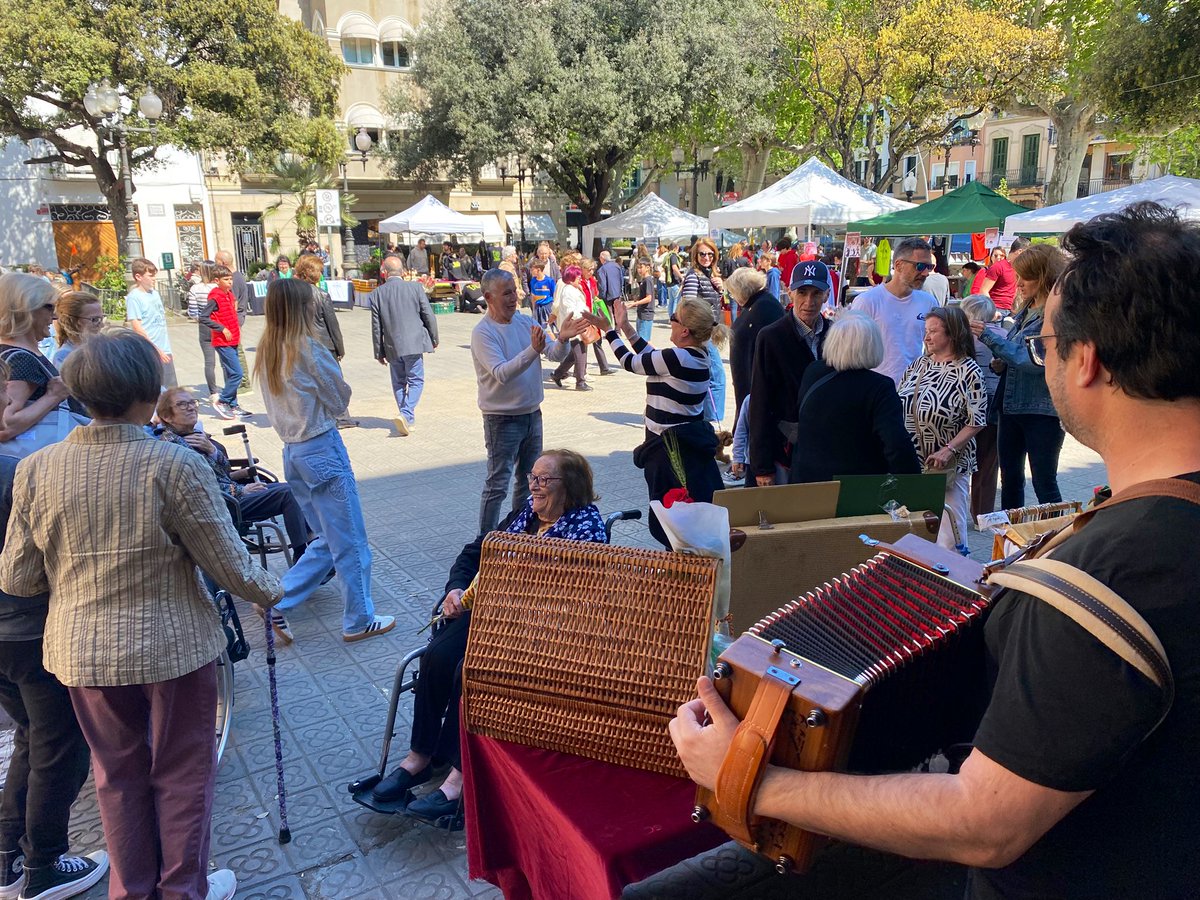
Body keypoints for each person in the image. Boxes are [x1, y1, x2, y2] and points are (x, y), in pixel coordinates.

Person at [671, 200, 1200, 900]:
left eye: (1044, 345)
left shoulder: (1104, 582)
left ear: (1089, 362)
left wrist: (754, 778)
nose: (1041, 362)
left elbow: (984, 823)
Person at [0, 330, 282, 900]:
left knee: (117, 778)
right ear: (148, 394)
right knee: (181, 777)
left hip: (81, 653)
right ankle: (181, 890)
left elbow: (17, 578)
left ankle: (132, 890)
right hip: (175, 647)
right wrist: (273, 591)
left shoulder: (38, 469)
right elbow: (231, 566)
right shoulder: (174, 465)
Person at [372, 449, 608, 818]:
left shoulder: (586, 531)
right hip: (489, 612)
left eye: (545, 479)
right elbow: (472, 553)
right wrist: (456, 588)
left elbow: (577, 597)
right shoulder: (523, 514)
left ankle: (458, 777)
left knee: (468, 671)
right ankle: (421, 756)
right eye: (533, 477)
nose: (534, 485)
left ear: (570, 487)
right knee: (436, 657)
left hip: (537, 627)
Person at [0, 354, 108, 900]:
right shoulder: (17, 468)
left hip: (6, 636)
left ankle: (6, 857)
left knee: (30, 736)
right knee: (58, 745)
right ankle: (43, 865)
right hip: (25, 627)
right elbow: (22, 572)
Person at [255, 279, 394, 643]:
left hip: (292, 453)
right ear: (300, 308)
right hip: (320, 448)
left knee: (329, 540)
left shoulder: (269, 348)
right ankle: (359, 619)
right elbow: (339, 399)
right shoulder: (306, 348)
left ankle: (277, 598)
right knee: (350, 541)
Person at [582, 297, 721, 547]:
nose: (670, 321)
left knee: (671, 517)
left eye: (674, 318)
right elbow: (652, 356)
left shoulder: (677, 358)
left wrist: (609, 331)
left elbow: (632, 363)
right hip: (679, 444)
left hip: (668, 449)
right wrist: (625, 327)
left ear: (685, 331)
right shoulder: (694, 355)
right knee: (679, 515)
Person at [471, 269, 585, 536]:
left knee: (530, 482)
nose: (514, 298)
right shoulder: (483, 333)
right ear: (488, 297)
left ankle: (518, 535)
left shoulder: (524, 323)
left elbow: (554, 354)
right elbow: (501, 373)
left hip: (533, 414)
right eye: (507, 293)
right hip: (502, 419)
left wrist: (563, 338)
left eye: (515, 291)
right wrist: (532, 350)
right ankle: (486, 541)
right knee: (497, 483)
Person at [155, 387, 311, 575]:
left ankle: (311, 545)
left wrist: (212, 451)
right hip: (219, 505)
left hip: (228, 495)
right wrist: (240, 491)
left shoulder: (194, 436)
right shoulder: (173, 444)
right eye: (182, 404)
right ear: (167, 416)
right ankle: (304, 558)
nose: (190, 408)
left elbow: (222, 471)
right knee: (288, 493)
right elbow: (199, 485)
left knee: (295, 487)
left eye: (192, 402)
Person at [971, 244, 1068, 511]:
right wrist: (1001, 364)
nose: (1019, 282)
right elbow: (1018, 356)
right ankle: (1011, 542)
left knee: (1044, 483)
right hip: (1010, 408)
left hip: (1042, 411)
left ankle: (1057, 539)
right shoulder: (1024, 311)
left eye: (1026, 276)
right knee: (1010, 480)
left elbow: (1033, 360)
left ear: (1045, 277)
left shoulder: (1055, 315)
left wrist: (988, 336)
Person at [790, 312, 921, 484]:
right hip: (855, 487)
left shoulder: (813, 372)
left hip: (808, 481)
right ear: (872, 345)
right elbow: (896, 443)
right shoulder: (879, 387)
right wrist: (913, 483)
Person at [898, 306, 987, 553]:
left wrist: (948, 449)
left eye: (934, 331)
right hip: (914, 461)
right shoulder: (919, 364)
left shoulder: (968, 370)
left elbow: (977, 419)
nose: (926, 337)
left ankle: (956, 585)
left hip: (947, 466)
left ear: (952, 334)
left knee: (950, 536)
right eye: (926, 331)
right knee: (914, 530)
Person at [748, 261, 831, 486]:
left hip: (826, 450)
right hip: (786, 449)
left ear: (827, 295)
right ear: (790, 292)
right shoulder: (772, 337)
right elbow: (760, 402)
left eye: (816, 293)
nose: (809, 302)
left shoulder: (836, 333)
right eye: (802, 292)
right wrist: (762, 465)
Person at [0, 274, 86, 454]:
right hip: (35, 460)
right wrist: (54, 396)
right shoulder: (20, 359)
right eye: (48, 307)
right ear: (26, 309)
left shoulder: (12, 352)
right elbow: (6, 425)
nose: (54, 315)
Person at [851, 237, 939, 384]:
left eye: (929, 267)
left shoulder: (928, 302)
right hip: (876, 391)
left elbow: (934, 349)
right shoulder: (867, 301)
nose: (925, 273)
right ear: (898, 265)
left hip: (914, 390)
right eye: (920, 266)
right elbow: (853, 352)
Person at [370, 256, 439, 436]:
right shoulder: (415, 288)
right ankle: (406, 414)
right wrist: (434, 337)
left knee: (399, 382)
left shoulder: (377, 294)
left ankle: (407, 419)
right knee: (416, 380)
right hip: (414, 343)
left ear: (384, 273)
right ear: (403, 272)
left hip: (392, 345)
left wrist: (378, 351)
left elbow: (376, 326)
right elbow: (428, 315)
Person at [294, 254, 357, 429]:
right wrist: (340, 348)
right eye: (320, 271)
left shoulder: (292, 294)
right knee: (334, 380)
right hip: (323, 345)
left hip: (301, 345)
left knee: (310, 382)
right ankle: (342, 417)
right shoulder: (321, 295)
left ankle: (316, 417)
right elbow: (332, 325)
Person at [962, 294, 1003, 518]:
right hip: (995, 401)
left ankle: (954, 508)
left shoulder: (961, 337)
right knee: (987, 462)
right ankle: (982, 514)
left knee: (961, 457)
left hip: (966, 403)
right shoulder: (1003, 334)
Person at [725, 267, 784, 420]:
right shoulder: (758, 303)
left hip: (757, 388)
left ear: (741, 290)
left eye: (732, 292)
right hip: (747, 382)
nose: (732, 296)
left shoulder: (765, 307)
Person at [680, 238, 728, 424]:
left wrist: (720, 288)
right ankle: (713, 419)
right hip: (702, 332)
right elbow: (689, 306)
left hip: (711, 330)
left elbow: (719, 302)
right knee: (717, 375)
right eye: (702, 254)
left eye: (710, 254)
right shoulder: (694, 276)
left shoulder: (711, 275)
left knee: (708, 374)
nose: (706, 257)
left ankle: (704, 416)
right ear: (695, 256)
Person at [199, 265, 251, 420]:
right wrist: (221, 328)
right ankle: (223, 401)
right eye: (226, 280)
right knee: (237, 373)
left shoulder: (228, 294)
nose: (230, 282)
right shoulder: (215, 297)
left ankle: (233, 405)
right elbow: (204, 317)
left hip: (233, 339)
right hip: (222, 341)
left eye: (231, 279)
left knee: (230, 373)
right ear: (217, 280)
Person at [124, 257, 176, 387]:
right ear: (138, 276)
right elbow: (137, 328)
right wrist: (156, 350)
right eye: (150, 276)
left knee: (171, 390)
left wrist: (166, 349)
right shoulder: (134, 297)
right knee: (158, 390)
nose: (154, 279)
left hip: (164, 348)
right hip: (151, 350)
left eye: (154, 276)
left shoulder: (155, 294)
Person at [548, 265, 592, 391]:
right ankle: (580, 382)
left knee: (573, 354)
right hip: (575, 327)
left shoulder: (573, 289)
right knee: (580, 353)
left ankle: (557, 374)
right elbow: (570, 310)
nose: (580, 278)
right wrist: (582, 318)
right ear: (571, 278)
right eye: (577, 276)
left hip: (577, 325)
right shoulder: (568, 291)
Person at [186, 262, 220, 404]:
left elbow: (192, 312)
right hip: (219, 324)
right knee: (226, 360)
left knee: (209, 361)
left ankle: (213, 392)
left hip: (204, 326)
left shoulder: (195, 288)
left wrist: (201, 318)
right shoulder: (218, 288)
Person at [579, 257, 614, 376]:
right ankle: (581, 371)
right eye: (589, 270)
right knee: (585, 341)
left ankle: (604, 367)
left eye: (592, 269)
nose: (591, 272)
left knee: (597, 339)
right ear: (582, 269)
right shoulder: (579, 282)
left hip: (593, 313)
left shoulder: (592, 281)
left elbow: (595, 294)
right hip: (584, 314)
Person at [50, 291, 103, 367]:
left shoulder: (100, 348)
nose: (101, 325)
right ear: (74, 321)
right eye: (95, 319)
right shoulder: (64, 355)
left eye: (101, 318)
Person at [979, 246, 1017, 314]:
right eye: (995, 255)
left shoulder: (1014, 268)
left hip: (1007, 309)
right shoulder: (990, 269)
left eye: (1002, 255)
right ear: (991, 257)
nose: (998, 258)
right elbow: (981, 290)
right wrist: (992, 310)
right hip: (995, 308)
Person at [629, 257, 657, 343]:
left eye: (641, 267)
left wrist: (635, 303)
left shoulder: (648, 280)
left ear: (648, 268)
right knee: (641, 340)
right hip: (641, 313)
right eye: (638, 267)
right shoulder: (643, 280)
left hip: (646, 314)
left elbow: (649, 298)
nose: (639, 270)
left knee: (643, 342)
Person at [527, 259, 556, 327]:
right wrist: (534, 310)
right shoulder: (533, 281)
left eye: (532, 270)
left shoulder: (549, 281)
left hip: (548, 306)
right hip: (538, 307)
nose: (531, 272)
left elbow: (554, 295)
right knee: (539, 327)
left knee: (551, 327)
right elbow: (533, 296)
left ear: (538, 270)